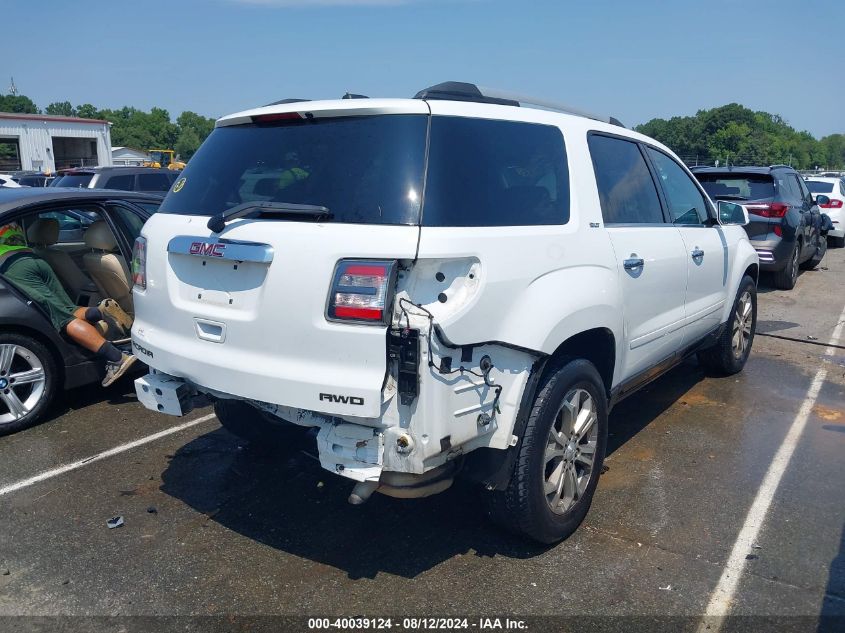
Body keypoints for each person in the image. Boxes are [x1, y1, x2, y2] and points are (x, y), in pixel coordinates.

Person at [0, 222, 136, 387]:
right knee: (68, 309)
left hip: (12, 267)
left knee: (62, 319)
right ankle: (100, 312)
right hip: (33, 258)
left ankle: (116, 357)